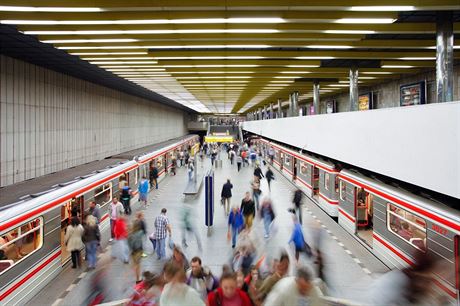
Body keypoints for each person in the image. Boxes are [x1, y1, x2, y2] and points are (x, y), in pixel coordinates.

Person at [128, 218, 146, 283]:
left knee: (135, 264)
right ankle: (138, 279)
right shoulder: (140, 233)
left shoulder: (130, 235)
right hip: (138, 251)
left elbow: (129, 244)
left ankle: (136, 275)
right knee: (138, 265)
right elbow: (144, 230)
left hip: (133, 251)